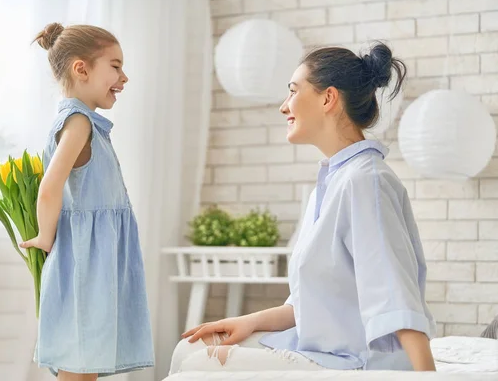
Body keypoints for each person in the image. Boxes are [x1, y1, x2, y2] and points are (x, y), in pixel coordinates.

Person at [170, 42, 437, 374]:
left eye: (293, 91)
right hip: (323, 347)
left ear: (328, 98)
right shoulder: (328, 185)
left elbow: (396, 295)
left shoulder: (366, 181)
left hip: (357, 361)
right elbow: (313, 303)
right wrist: (247, 322)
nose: (284, 106)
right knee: (190, 347)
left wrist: (426, 375)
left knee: (198, 365)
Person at [19, 23, 154, 381]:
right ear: (81, 69)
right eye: (115, 65)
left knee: (86, 359)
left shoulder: (87, 123)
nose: (124, 77)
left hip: (97, 259)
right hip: (86, 261)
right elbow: (50, 188)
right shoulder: (78, 122)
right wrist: (46, 238)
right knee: (78, 359)